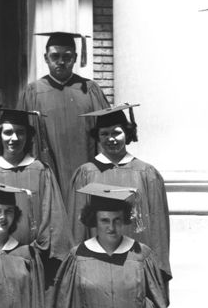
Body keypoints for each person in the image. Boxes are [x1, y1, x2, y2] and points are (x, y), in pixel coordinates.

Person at [66, 104, 171, 280]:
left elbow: (159, 227)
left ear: (127, 134)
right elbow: (77, 228)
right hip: (95, 265)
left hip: (137, 265)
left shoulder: (147, 173)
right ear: (97, 137)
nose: (111, 139)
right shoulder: (85, 173)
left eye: (116, 132)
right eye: (104, 134)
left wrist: (157, 270)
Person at [0, 107, 71, 277]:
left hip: (35, 261)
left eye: (20, 132)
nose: (14, 138)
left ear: (28, 136)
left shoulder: (41, 171)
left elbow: (53, 218)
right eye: (8, 132)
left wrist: (35, 252)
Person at [18, 32, 111, 197]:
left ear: (75, 58)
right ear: (45, 58)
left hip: (87, 174)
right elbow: (22, 138)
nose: (61, 62)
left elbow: (106, 135)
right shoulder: (33, 92)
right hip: (47, 173)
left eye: (67, 57)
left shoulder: (90, 90)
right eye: (55, 56)